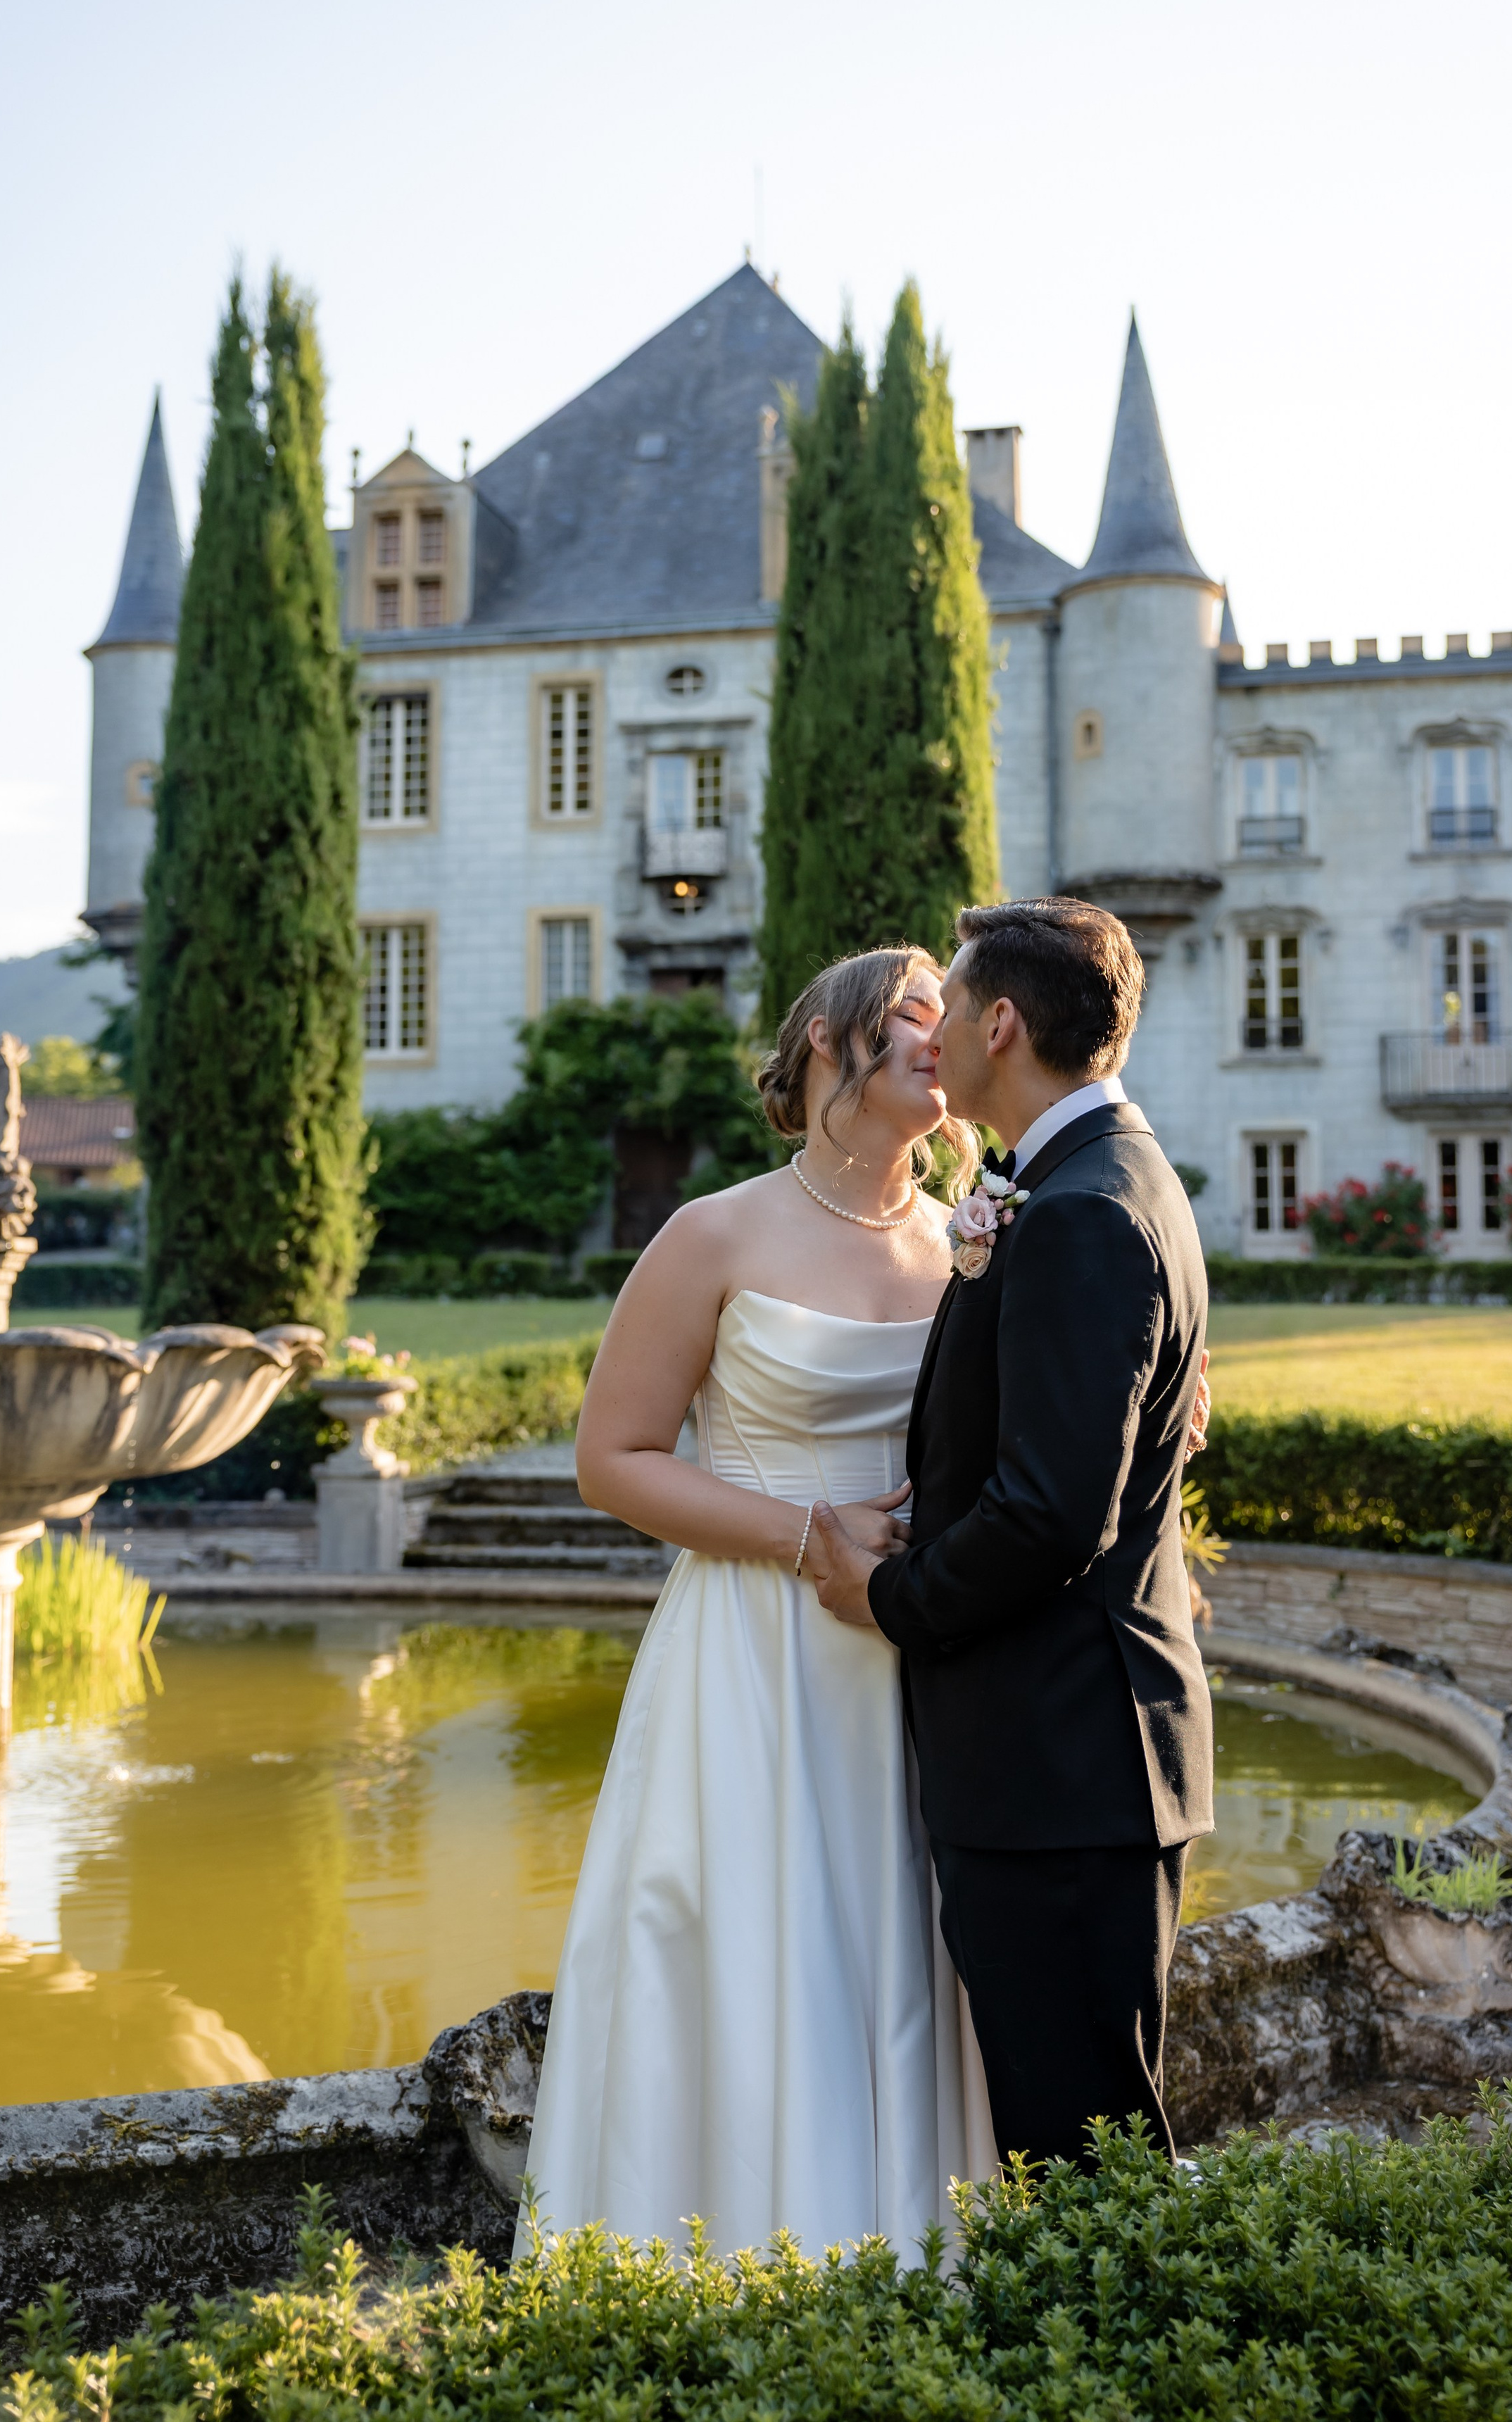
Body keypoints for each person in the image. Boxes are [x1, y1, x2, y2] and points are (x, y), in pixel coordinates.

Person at [519, 946, 1000, 2259]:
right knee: (740, 1948)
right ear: (830, 1047)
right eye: (912, 1011)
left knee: (907, 1955)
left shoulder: (972, 1233)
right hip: (750, 1650)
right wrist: (806, 1536)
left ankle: (904, 2256)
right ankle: (713, 2264)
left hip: (919, 1656)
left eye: (947, 1013)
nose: (941, 1031)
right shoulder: (714, 1232)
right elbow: (611, 1461)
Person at [808, 896, 1215, 2169]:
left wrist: (886, 1598)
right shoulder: (1096, 1176)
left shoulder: (1084, 1208)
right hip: (1067, 1760)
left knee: (1086, 2153)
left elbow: (1051, 1519)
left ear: (1001, 1022)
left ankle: (1131, 2366)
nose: (934, 1038)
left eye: (953, 1006)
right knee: (1079, 2135)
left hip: (1064, 1768)